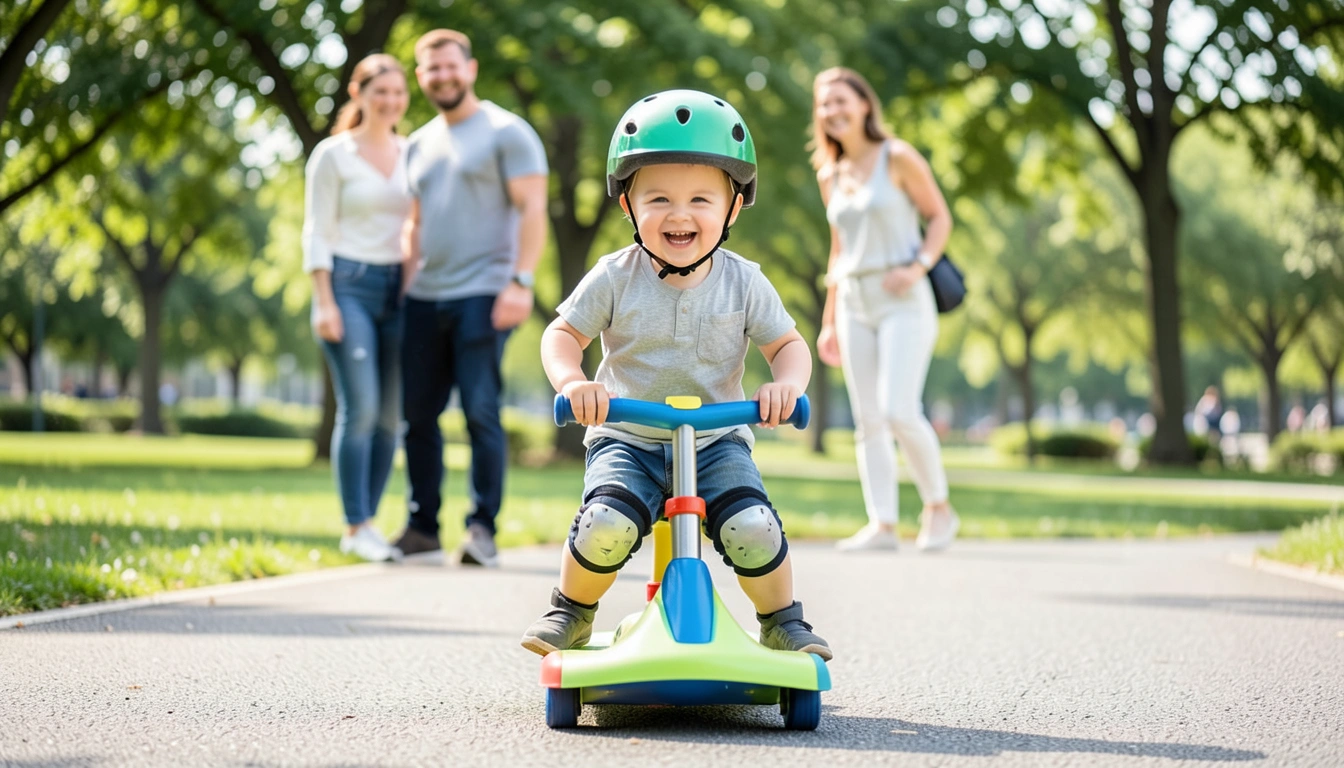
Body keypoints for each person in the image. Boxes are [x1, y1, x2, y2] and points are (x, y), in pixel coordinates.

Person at [519, 90, 832, 661]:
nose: (679, 214)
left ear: (733, 209)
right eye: (658, 197)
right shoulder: (614, 276)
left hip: (716, 442)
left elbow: (788, 344)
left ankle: (782, 620)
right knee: (605, 524)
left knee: (753, 527)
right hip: (627, 437)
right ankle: (571, 611)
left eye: (701, 199)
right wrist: (573, 383)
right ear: (628, 206)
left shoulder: (745, 282)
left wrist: (786, 383)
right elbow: (561, 335)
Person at [395, 30, 550, 567]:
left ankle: (482, 528)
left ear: (471, 67)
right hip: (422, 296)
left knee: (480, 411)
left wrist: (521, 281)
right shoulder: (416, 142)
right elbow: (414, 224)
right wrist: (402, 287)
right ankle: (421, 528)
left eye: (450, 66)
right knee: (416, 416)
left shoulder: (507, 132)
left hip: (484, 291)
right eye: (431, 69)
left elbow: (533, 208)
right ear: (421, 77)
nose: (443, 76)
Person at [810, 67, 957, 553]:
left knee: (898, 410)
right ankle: (884, 525)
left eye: (841, 100)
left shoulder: (897, 156)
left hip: (902, 298)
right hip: (854, 299)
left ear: (865, 104)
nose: (833, 111)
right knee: (868, 418)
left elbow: (939, 217)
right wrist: (829, 319)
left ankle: (938, 507)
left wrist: (917, 267)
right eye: (824, 104)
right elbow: (838, 249)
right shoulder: (829, 173)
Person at [303, 53, 411, 563]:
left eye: (397, 92)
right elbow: (316, 230)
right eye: (380, 91)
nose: (389, 101)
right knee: (362, 408)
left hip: (400, 289)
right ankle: (356, 524)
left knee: (391, 419)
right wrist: (324, 299)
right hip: (347, 285)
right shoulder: (333, 154)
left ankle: (368, 523)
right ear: (358, 94)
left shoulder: (412, 152)